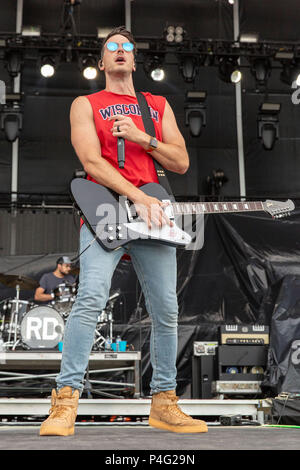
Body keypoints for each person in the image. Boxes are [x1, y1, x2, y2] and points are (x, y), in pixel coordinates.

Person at [40, 26, 208, 436]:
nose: (119, 51)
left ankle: (165, 403)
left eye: (126, 47)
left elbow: (181, 161)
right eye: (111, 47)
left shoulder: (156, 105)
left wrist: (141, 137)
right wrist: (138, 197)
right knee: (91, 297)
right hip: (105, 213)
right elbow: (92, 162)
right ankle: (65, 401)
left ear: (134, 60)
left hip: (151, 215)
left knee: (167, 310)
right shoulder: (86, 104)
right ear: (102, 61)